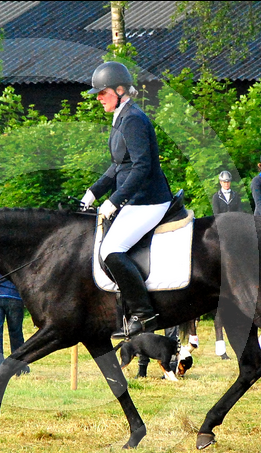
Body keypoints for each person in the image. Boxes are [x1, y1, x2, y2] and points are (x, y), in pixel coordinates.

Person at [80, 61, 174, 339]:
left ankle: (144, 314)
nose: (98, 98)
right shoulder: (121, 117)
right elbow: (119, 166)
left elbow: (142, 166)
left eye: (102, 93)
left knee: (111, 250)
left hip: (149, 201)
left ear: (120, 90)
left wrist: (115, 201)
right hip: (135, 199)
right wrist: (94, 192)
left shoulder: (132, 119)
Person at [210, 171, 243, 360]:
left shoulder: (236, 196)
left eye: (228, 182)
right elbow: (217, 214)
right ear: (220, 182)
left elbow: (238, 212)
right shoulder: (216, 197)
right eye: (224, 182)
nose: (227, 184)